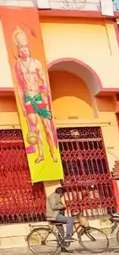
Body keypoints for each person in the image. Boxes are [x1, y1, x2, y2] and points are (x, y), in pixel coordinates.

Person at [11, 27, 58, 166]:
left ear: (28, 49)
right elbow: (19, 86)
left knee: (47, 126)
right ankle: (41, 154)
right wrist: (22, 105)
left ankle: (53, 152)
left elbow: (43, 80)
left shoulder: (36, 63)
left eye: (25, 47)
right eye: (21, 48)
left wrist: (45, 96)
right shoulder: (18, 65)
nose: (24, 50)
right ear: (19, 51)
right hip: (28, 98)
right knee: (34, 128)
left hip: (38, 96)